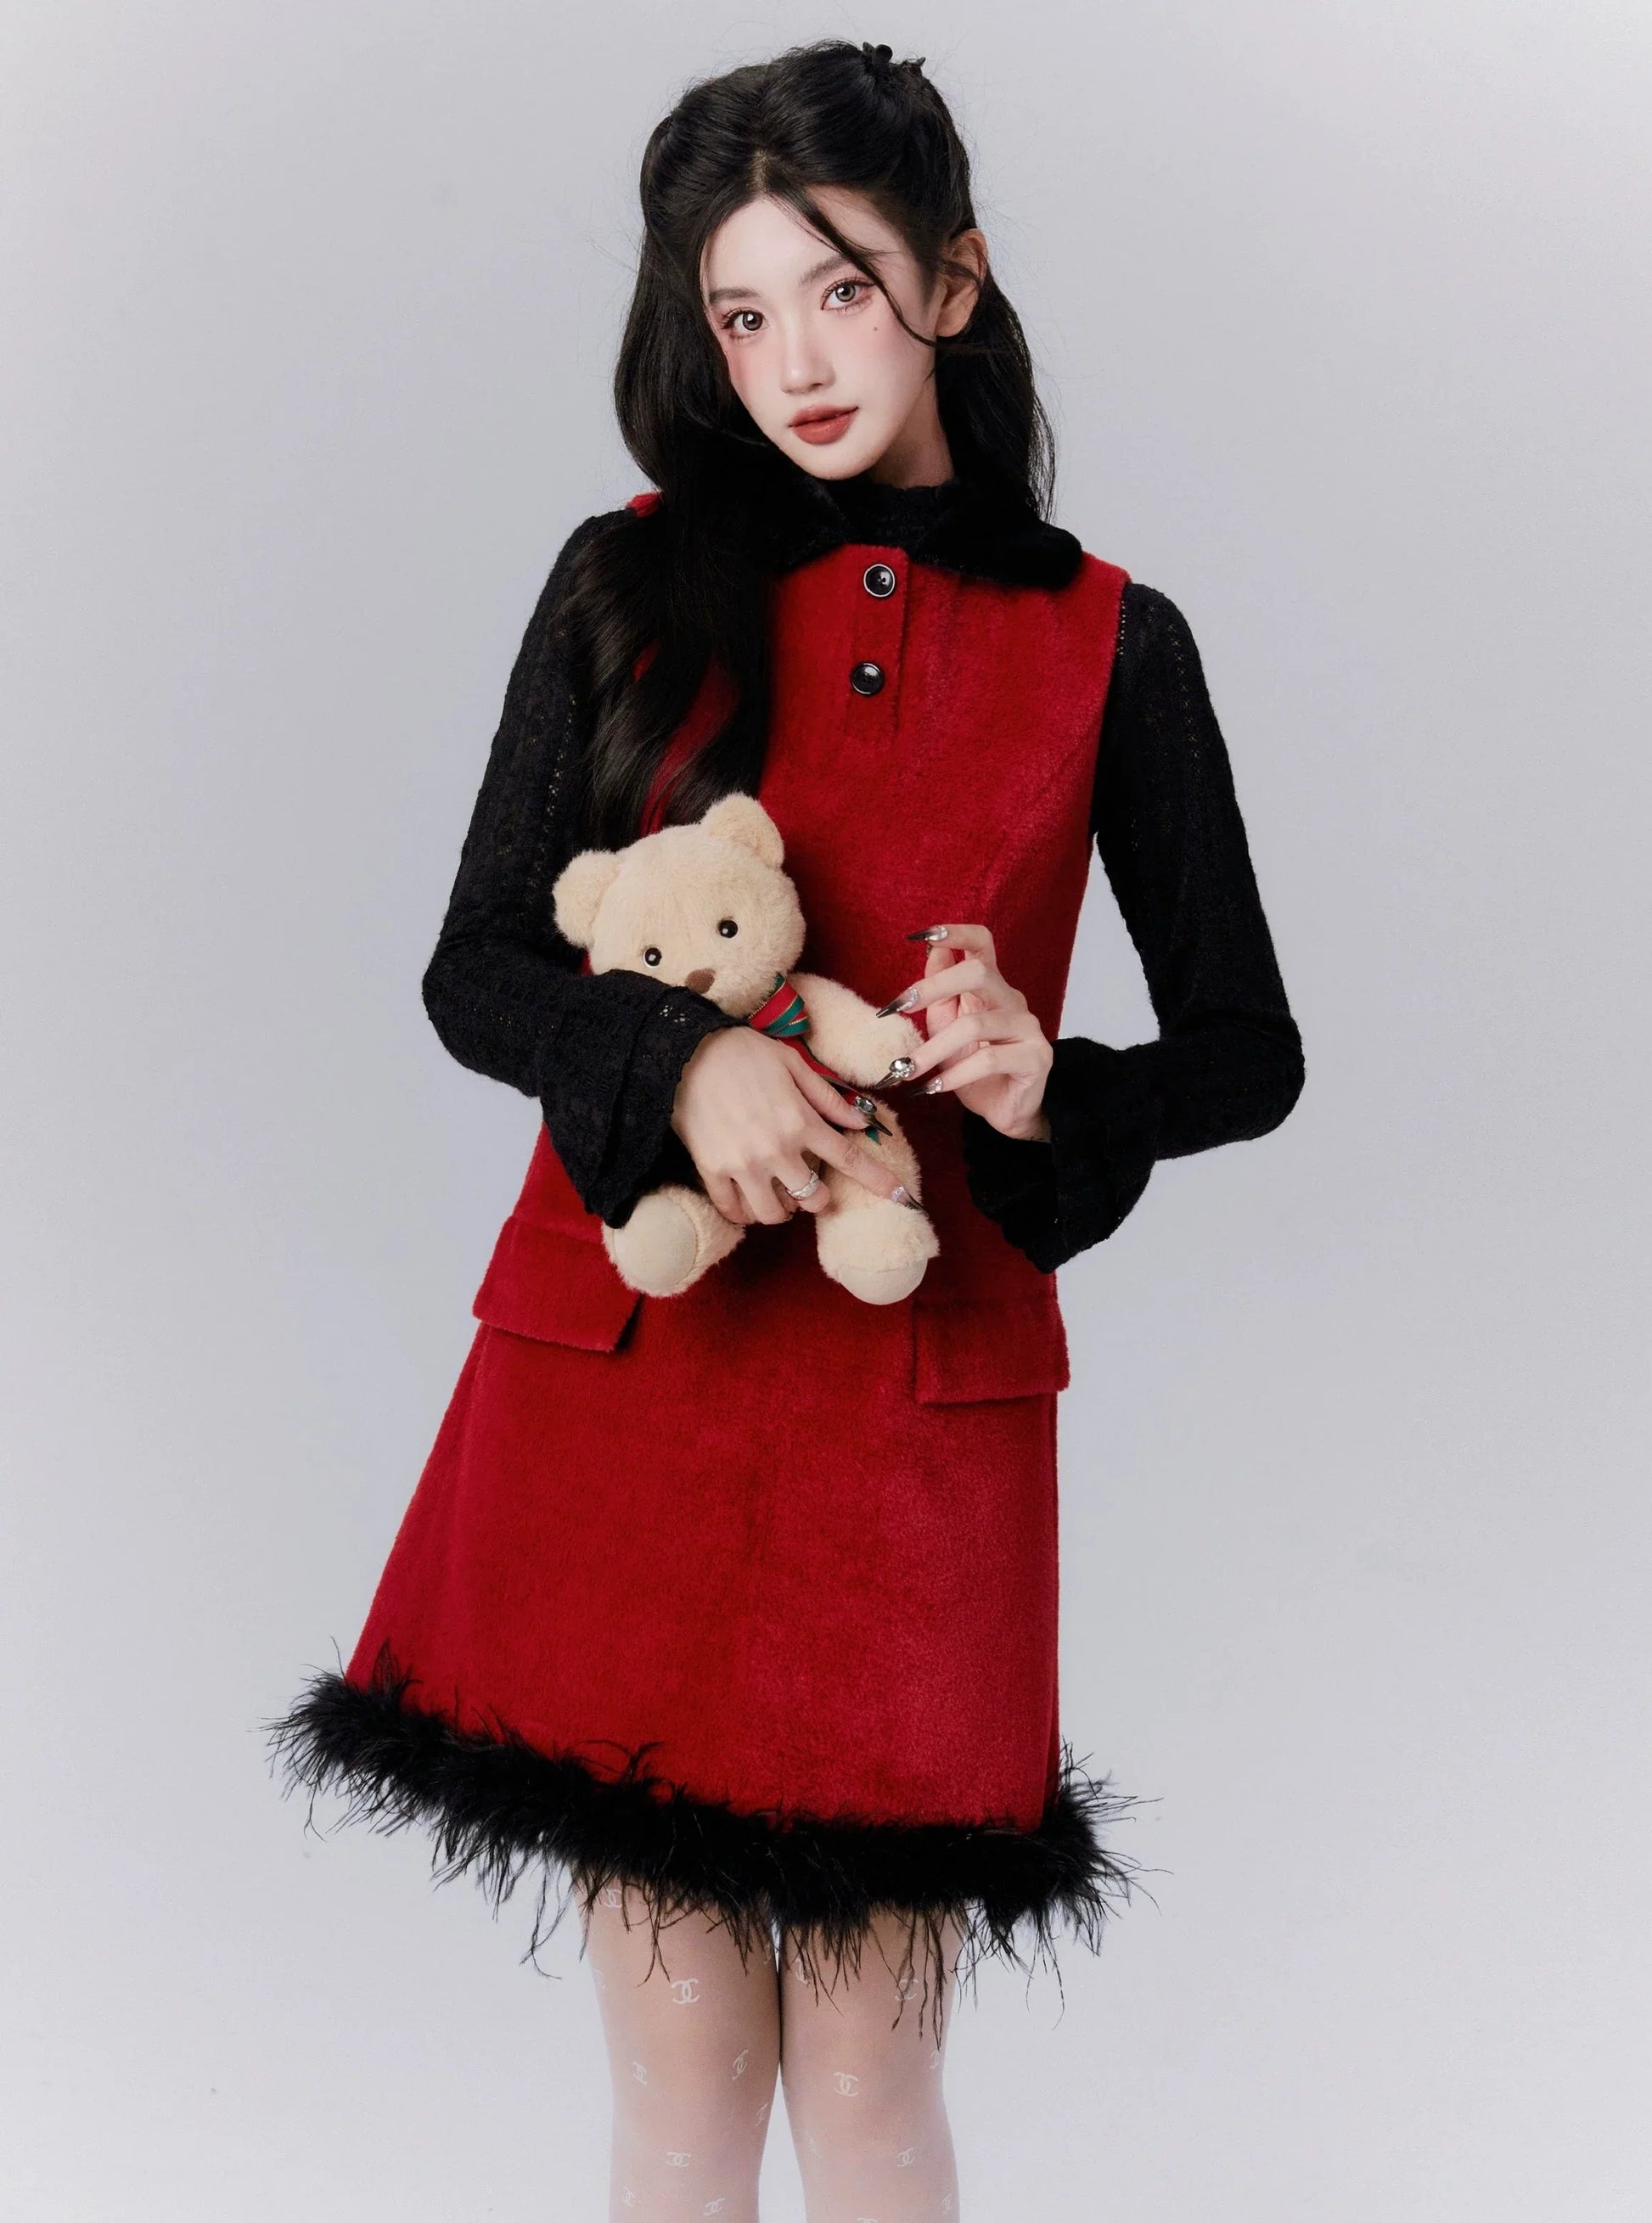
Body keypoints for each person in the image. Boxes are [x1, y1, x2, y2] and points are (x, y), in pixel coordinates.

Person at [265, 36, 1306, 2220]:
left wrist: (1057, 1083)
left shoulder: (1111, 643)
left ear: (953, 281)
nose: (796, 362)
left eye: (839, 289)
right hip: (623, 1382)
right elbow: (474, 965)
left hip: (912, 1417)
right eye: (741, 315)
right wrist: (676, 1058)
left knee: (873, 2077)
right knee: (677, 2075)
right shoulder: (622, 580)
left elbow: (1248, 1047)